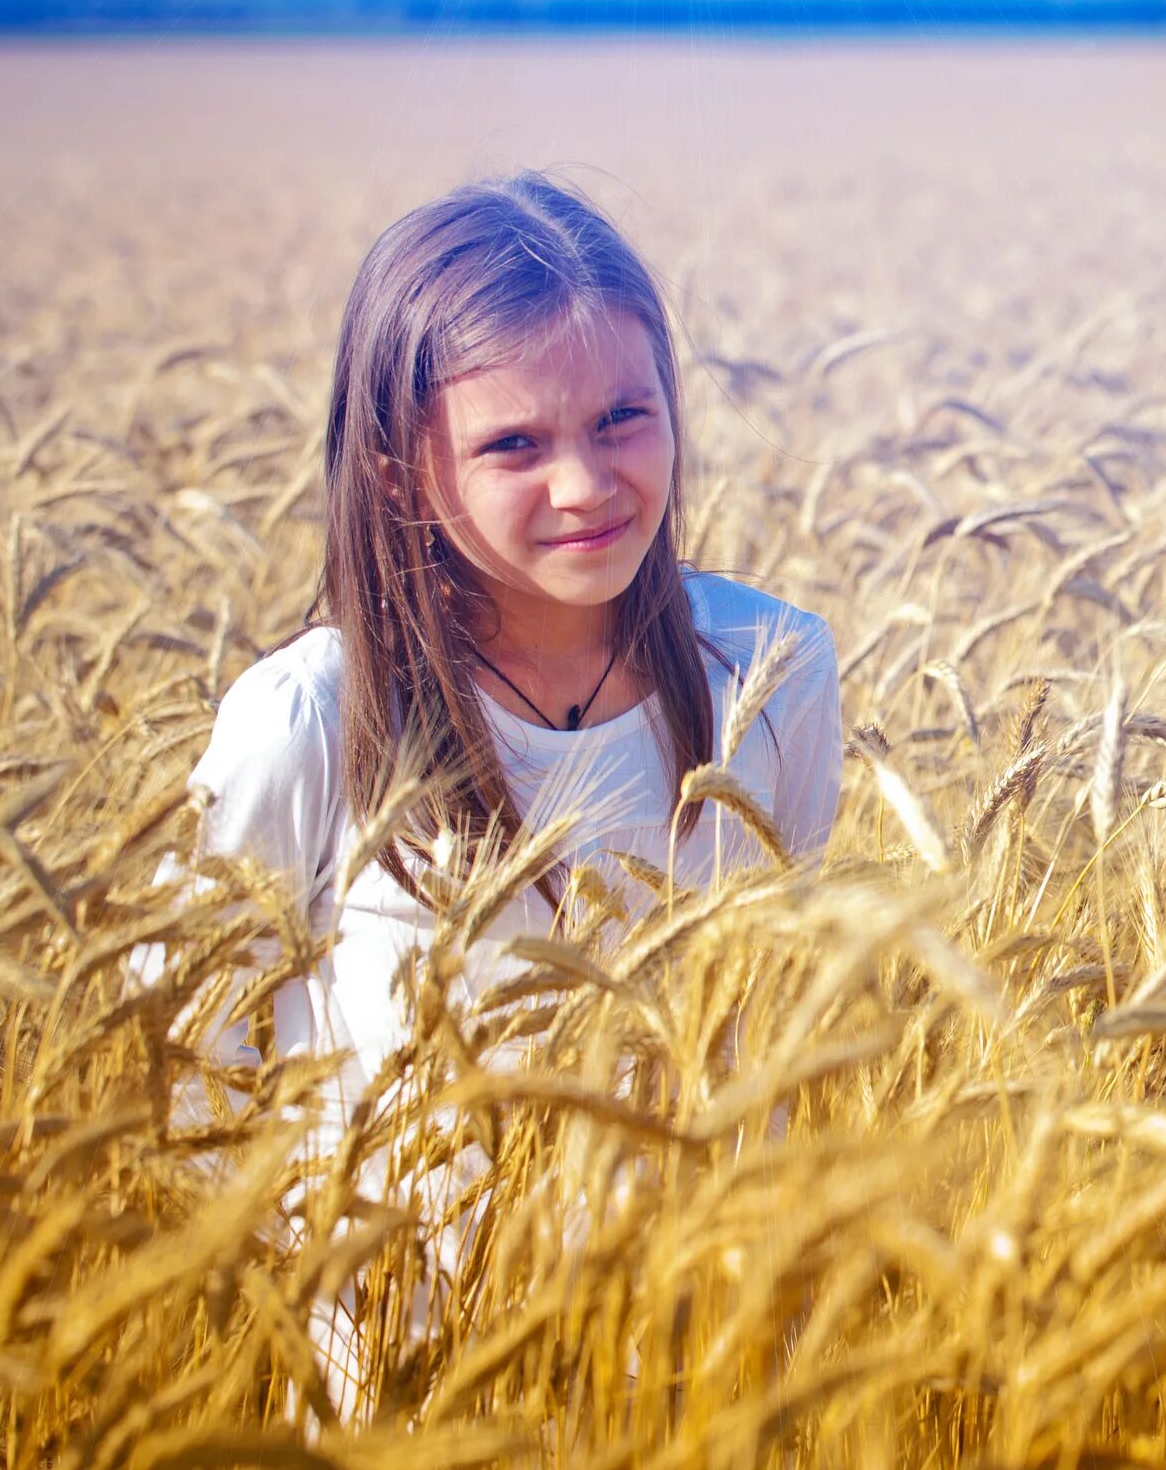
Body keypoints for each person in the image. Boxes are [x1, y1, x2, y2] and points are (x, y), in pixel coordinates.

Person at [191, 171, 842, 1104]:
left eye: (622, 419)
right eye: (515, 446)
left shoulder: (773, 672)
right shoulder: (309, 724)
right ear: (399, 476)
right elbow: (180, 1086)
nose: (583, 485)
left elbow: (782, 1024)